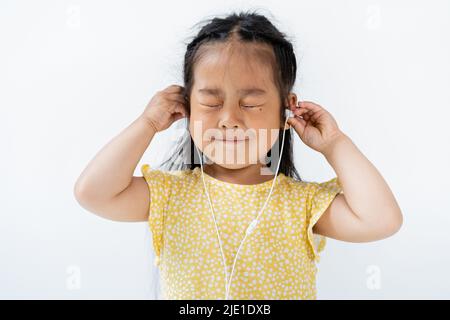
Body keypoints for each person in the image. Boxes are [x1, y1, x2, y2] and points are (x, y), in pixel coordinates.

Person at [74, 10, 403, 300]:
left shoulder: (302, 204)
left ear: (285, 112)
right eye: (211, 103)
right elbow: (93, 193)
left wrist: (335, 143)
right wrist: (146, 124)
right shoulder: (170, 195)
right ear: (187, 108)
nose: (229, 118)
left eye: (250, 104)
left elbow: (381, 220)